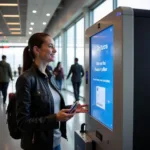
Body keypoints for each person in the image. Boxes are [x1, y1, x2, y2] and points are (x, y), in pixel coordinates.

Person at [16, 33, 87, 150]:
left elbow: (49, 106)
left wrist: (70, 109)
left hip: (55, 141)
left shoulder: (50, 77)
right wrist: (56, 118)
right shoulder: (26, 79)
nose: (54, 50)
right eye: (50, 46)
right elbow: (23, 122)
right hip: (38, 145)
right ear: (37, 49)